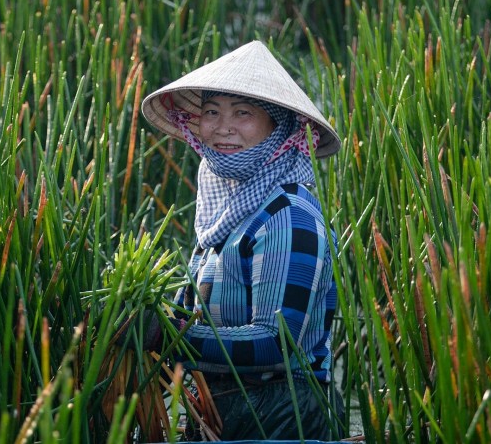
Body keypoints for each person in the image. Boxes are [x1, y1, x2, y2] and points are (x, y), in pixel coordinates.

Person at [140, 40, 343, 440]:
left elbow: (275, 343)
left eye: (243, 113)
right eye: (212, 112)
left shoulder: (288, 216)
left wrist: (171, 335)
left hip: (282, 415)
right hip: (220, 406)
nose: (223, 127)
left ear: (280, 125)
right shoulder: (220, 211)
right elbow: (194, 313)